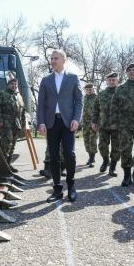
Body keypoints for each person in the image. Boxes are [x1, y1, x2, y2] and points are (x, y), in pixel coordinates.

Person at [37, 49, 83, 202]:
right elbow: (41, 103)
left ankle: (71, 185)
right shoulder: (45, 80)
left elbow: (79, 101)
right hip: (52, 122)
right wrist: (41, 122)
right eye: (51, 58)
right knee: (54, 156)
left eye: (56, 58)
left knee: (69, 154)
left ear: (64, 60)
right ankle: (57, 189)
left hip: (68, 122)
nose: (53, 61)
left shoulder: (73, 78)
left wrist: (77, 118)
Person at [0, 78, 26, 173]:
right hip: (6, 122)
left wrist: (23, 124)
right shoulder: (2, 93)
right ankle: (2, 166)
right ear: (8, 84)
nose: (14, 86)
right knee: (6, 144)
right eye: (12, 84)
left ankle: (8, 165)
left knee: (13, 145)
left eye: (16, 84)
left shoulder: (19, 96)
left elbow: (23, 111)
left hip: (16, 123)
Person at [92, 72, 120, 176]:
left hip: (118, 126)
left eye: (114, 80)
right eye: (109, 80)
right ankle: (105, 161)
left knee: (116, 148)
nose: (111, 82)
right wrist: (94, 121)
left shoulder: (121, 93)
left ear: (117, 81)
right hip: (103, 125)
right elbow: (95, 109)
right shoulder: (101, 94)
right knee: (102, 146)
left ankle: (112, 167)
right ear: (107, 81)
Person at [82, 83, 98, 167]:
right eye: (87, 89)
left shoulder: (97, 98)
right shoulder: (84, 98)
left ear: (93, 89)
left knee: (92, 140)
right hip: (85, 123)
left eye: (90, 89)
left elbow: (99, 111)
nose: (88, 91)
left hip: (94, 123)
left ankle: (92, 158)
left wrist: (96, 122)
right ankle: (90, 157)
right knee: (86, 141)